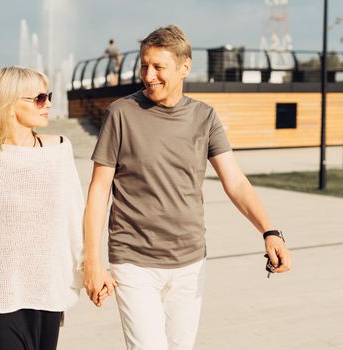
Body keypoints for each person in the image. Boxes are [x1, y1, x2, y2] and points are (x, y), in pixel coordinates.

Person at [83, 25, 292, 350]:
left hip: (190, 263)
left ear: (184, 67)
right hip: (134, 261)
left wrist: (269, 231)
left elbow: (235, 181)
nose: (148, 75)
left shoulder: (204, 117)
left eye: (158, 67)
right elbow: (98, 192)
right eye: (144, 65)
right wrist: (93, 263)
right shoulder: (121, 114)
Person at [0, 66, 84, 350]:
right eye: (39, 98)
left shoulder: (60, 151)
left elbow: (75, 218)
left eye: (49, 96)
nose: (48, 105)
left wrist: (91, 267)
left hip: (47, 292)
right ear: (9, 104)